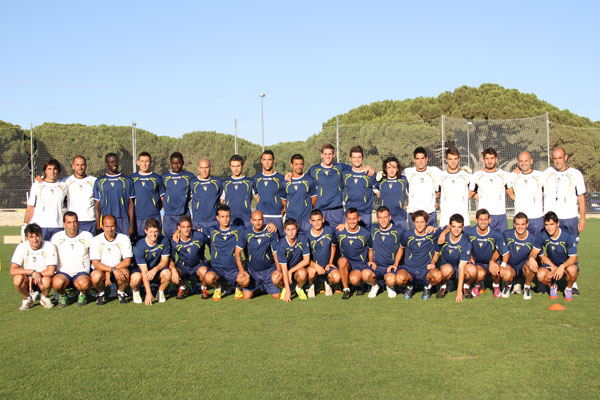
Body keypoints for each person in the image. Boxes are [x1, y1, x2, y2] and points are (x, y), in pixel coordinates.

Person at [543, 147, 586, 295]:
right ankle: (551, 278)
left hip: (569, 218)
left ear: (565, 157)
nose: (557, 161)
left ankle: (573, 283)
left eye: (560, 157)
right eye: (555, 158)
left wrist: (583, 219)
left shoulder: (575, 174)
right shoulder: (547, 173)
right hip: (551, 219)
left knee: (571, 250)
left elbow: (581, 197)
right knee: (549, 249)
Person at [306, 143, 373, 228]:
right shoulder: (313, 169)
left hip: (337, 210)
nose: (327, 156)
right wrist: (289, 174)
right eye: (325, 154)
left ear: (333, 155)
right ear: (321, 155)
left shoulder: (341, 167)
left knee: (338, 237)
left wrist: (367, 167)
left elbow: (356, 166)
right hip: (320, 210)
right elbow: (303, 179)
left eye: (330, 154)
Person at [388, 210, 442, 300]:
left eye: (422, 222)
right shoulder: (407, 235)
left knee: (438, 276)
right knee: (399, 279)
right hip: (410, 269)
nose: (419, 225)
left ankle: (427, 287)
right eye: (417, 222)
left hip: (426, 270)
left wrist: (432, 262)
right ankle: (409, 287)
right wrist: (395, 264)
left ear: (426, 222)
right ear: (413, 223)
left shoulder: (433, 233)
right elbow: (401, 249)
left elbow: (448, 228)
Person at [235, 210, 283, 300]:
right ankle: (260, 288)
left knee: (277, 296)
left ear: (263, 220)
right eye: (255, 220)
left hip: (268, 270)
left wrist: (278, 269)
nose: (257, 223)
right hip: (252, 271)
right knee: (246, 297)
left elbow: (276, 253)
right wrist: (241, 270)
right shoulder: (245, 232)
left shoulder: (271, 231)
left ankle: (266, 286)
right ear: (251, 221)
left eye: (260, 220)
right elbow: (237, 252)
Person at [203, 205, 248, 300]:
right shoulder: (211, 230)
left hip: (233, 268)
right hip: (217, 268)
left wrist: (269, 225)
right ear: (217, 218)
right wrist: (177, 232)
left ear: (230, 217)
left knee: (246, 281)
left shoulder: (238, 230)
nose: (225, 219)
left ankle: (237, 286)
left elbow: (254, 229)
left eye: (227, 216)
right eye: (222, 216)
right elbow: (193, 231)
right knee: (208, 277)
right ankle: (218, 287)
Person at [51, 211, 94, 308]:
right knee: (57, 283)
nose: (72, 225)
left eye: (74, 222)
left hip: (81, 273)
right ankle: (62, 296)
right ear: (64, 224)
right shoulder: (56, 237)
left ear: (78, 223)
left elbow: (94, 255)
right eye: (69, 222)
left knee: (84, 284)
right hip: (63, 273)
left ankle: (83, 295)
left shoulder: (87, 236)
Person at [464, 209, 510, 298]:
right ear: (476, 220)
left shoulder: (496, 234)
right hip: (478, 263)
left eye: (485, 219)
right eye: (481, 219)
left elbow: (505, 252)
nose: (483, 222)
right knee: (480, 273)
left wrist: (502, 265)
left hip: (491, 263)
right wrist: (470, 256)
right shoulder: (468, 232)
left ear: (489, 220)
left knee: (496, 269)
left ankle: (496, 286)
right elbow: (464, 245)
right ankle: (477, 285)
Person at [10, 223, 57, 310]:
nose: (35, 240)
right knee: (17, 279)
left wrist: (37, 274)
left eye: (37, 236)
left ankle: (44, 298)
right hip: (29, 280)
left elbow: (50, 271)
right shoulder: (21, 247)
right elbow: (13, 270)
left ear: (41, 235)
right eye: (31, 237)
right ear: (26, 238)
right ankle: (27, 298)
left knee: (47, 280)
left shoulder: (49, 246)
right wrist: (31, 273)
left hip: (42, 278)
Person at [535, 212, 579, 301]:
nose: (549, 227)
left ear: (558, 224)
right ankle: (552, 286)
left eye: (552, 224)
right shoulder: (542, 236)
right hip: (552, 265)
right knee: (540, 275)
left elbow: (574, 258)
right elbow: (534, 252)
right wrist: (532, 258)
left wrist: (562, 266)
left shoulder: (568, 236)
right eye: (546, 225)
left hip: (566, 265)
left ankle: (568, 289)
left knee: (573, 270)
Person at [90, 215, 133, 305]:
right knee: (95, 276)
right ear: (102, 227)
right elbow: (96, 263)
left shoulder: (124, 238)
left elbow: (127, 261)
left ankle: (121, 292)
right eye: (107, 226)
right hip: (102, 271)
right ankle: (101, 293)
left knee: (125, 273)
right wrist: (110, 270)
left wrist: (112, 271)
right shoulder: (96, 240)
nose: (110, 229)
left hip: (118, 269)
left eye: (112, 226)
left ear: (116, 226)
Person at [431, 214, 473, 301]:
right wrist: (432, 263)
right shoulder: (443, 237)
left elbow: (462, 267)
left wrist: (459, 291)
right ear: (449, 226)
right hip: (447, 267)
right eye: (453, 226)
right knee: (447, 269)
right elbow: (436, 254)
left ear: (463, 227)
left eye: (459, 227)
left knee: (472, 270)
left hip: (460, 267)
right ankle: (443, 285)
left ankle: (466, 286)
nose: (456, 230)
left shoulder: (466, 241)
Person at [469, 147, 512, 232]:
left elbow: (512, 195)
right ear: (484, 160)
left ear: (496, 159)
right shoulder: (477, 175)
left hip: (500, 215)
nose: (489, 161)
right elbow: (469, 194)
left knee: (501, 243)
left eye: (492, 158)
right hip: (483, 216)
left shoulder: (505, 175)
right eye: (487, 158)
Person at [24, 159, 68, 240]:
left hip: (58, 226)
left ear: (58, 171)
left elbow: (67, 203)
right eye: (49, 169)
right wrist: (24, 225)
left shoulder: (63, 186)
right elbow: (30, 207)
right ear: (45, 171)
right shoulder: (37, 185)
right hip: (40, 226)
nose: (52, 171)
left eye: (55, 169)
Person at [131, 218, 172, 305]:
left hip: (155, 270)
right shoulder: (139, 246)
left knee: (168, 273)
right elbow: (144, 271)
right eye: (150, 232)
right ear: (145, 231)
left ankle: (160, 291)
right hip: (142, 272)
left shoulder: (164, 241)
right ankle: (136, 291)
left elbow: (165, 261)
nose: (153, 234)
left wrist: (155, 269)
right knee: (135, 278)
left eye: (156, 231)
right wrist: (148, 293)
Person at [334, 208, 373, 299]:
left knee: (354, 280)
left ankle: (359, 285)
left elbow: (370, 249)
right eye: (349, 219)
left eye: (354, 218)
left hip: (359, 265)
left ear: (359, 218)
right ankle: (346, 290)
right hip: (345, 263)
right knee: (341, 261)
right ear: (346, 219)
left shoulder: (366, 233)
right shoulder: (339, 232)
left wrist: (371, 261)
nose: (352, 221)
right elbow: (333, 246)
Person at [93, 153, 135, 236]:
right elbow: (97, 206)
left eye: (116, 161)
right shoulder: (99, 182)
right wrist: (98, 225)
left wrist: (131, 226)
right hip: (107, 220)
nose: (114, 164)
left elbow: (131, 204)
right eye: (111, 162)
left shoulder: (127, 180)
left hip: (123, 220)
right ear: (106, 163)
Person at [168, 215, 209, 300]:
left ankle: (204, 288)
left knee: (204, 271)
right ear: (179, 228)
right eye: (183, 227)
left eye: (188, 226)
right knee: (170, 273)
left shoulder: (199, 236)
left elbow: (211, 243)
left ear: (191, 226)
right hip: (183, 266)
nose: (186, 229)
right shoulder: (174, 240)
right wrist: (173, 270)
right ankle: (182, 287)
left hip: (198, 265)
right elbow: (171, 259)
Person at [504, 213, 542, 300]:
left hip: (523, 268)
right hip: (510, 267)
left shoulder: (534, 238)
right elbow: (498, 251)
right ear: (514, 224)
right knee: (504, 270)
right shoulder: (506, 234)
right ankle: (508, 285)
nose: (520, 227)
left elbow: (541, 256)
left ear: (527, 224)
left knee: (532, 264)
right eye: (517, 224)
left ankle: (527, 287)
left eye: (523, 224)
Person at [507, 151, 545, 235]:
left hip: (536, 219)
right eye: (521, 161)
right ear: (518, 162)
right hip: (519, 219)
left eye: (526, 161)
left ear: (531, 161)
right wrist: (513, 197)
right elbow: (507, 187)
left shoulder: (540, 176)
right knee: (520, 246)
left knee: (537, 246)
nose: (523, 163)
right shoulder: (513, 176)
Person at [371, 206, 404, 299]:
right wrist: (344, 225)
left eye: (385, 217)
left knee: (391, 280)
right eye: (380, 218)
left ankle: (390, 286)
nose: (383, 220)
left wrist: (396, 264)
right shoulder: (373, 228)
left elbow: (403, 248)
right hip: (376, 266)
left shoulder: (399, 231)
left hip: (390, 267)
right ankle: (375, 285)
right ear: (377, 218)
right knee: (365, 275)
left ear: (390, 217)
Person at [404, 147, 442, 228]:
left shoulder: (435, 171)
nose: (420, 161)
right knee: (413, 240)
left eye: (422, 158)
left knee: (432, 239)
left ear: (426, 159)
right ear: (414, 160)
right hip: (413, 214)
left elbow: (448, 178)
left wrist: (437, 194)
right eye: (417, 158)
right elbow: (394, 175)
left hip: (430, 213)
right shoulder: (407, 172)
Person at [161, 152, 195, 238]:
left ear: (183, 163)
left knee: (185, 242)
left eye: (179, 163)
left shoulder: (189, 177)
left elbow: (193, 194)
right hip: (169, 216)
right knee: (170, 244)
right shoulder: (164, 177)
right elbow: (161, 195)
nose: (176, 166)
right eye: (174, 163)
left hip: (184, 214)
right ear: (170, 163)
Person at [306, 209, 339, 297]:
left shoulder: (330, 231)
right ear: (310, 221)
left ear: (323, 220)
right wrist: (315, 265)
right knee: (311, 272)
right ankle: (311, 285)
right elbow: (304, 258)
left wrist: (330, 262)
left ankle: (328, 283)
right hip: (314, 267)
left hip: (327, 266)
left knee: (337, 277)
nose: (316, 223)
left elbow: (333, 246)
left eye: (319, 220)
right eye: (313, 220)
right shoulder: (306, 236)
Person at [253, 150, 286, 236]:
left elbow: (285, 197)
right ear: (261, 161)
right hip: (261, 217)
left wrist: (284, 209)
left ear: (273, 161)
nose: (267, 162)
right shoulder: (256, 178)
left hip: (276, 216)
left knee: (278, 244)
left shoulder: (281, 178)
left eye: (269, 160)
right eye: (264, 160)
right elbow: (256, 196)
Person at [276, 218, 311, 301]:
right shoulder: (281, 244)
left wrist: (291, 271)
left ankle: (299, 288)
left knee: (302, 274)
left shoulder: (303, 238)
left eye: (293, 229)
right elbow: (284, 270)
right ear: (284, 230)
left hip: (297, 270)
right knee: (275, 277)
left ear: (297, 229)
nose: (291, 232)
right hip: (285, 271)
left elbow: (306, 260)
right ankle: (285, 288)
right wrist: (288, 292)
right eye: (288, 230)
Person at [131, 152, 164, 238]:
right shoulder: (132, 178)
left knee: (155, 243)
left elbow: (162, 199)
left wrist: (154, 209)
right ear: (138, 162)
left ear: (151, 163)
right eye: (142, 161)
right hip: (138, 217)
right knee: (139, 243)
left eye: (147, 161)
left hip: (153, 216)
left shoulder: (157, 178)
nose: (144, 164)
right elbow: (130, 200)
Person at [341, 145, 375, 229]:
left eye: (359, 157)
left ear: (362, 158)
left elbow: (380, 189)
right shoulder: (344, 174)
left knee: (366, 240)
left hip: (365, 213)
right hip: (350, 213)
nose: (357, 160)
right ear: (350, 158)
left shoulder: (370, 173)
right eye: (354, 157)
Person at [438, 147, 471, 227]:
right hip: (445, 220)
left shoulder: (467, 176)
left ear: (459, 159)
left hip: (463, 221)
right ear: (446, 160)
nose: (453, 162)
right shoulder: (440, 177)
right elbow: (436, 194)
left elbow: (474, 193)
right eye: (450, 159)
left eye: (455, 159)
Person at [372, 157, 409, 230]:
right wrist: (377, 192)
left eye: (394, 167)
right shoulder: (381, 180)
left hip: (400, 218)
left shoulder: (403, 179)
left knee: (402, 240)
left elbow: (411, 192)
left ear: (397, 168)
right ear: (385, 169)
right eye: (389, 167)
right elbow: (372, 184)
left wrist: (407, 203)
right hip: (385, 219)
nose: (391, 170)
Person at [285, 154, 317, 233]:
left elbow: (314, 201)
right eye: (296, 164)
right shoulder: (285, 181)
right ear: (291, 165)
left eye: (301, 164)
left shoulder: (310, 180)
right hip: (291, 219)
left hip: (306, 219)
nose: (299, 167)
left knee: (307, 243)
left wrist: (305, 209)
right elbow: (283, 201)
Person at [64, 155, 97, 234]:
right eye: (77, 165)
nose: (80, 167)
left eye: (82, 165)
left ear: (86, 166)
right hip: (73, 222)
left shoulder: (94, 181)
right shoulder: (66, 181)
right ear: (73, 166)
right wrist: (40, 179)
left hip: (90, 221)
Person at [191, 158, 223, 231]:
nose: (204, 170)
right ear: (198, 168)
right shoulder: (192, 183)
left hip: (214, 221)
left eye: (206, 167)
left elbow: (221, 200)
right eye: (202, 168)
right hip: (198, 222)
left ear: (210, 167)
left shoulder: (218, 182)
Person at [222, 155, 254, 227]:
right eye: (233, 166)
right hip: (230, 220)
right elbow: (220, 202)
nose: (235, 169)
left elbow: (258, 200)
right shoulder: (225, 183)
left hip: (246, 220)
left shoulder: (250, 182)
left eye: (238, 166)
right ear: (230, 167)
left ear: (242, 166)